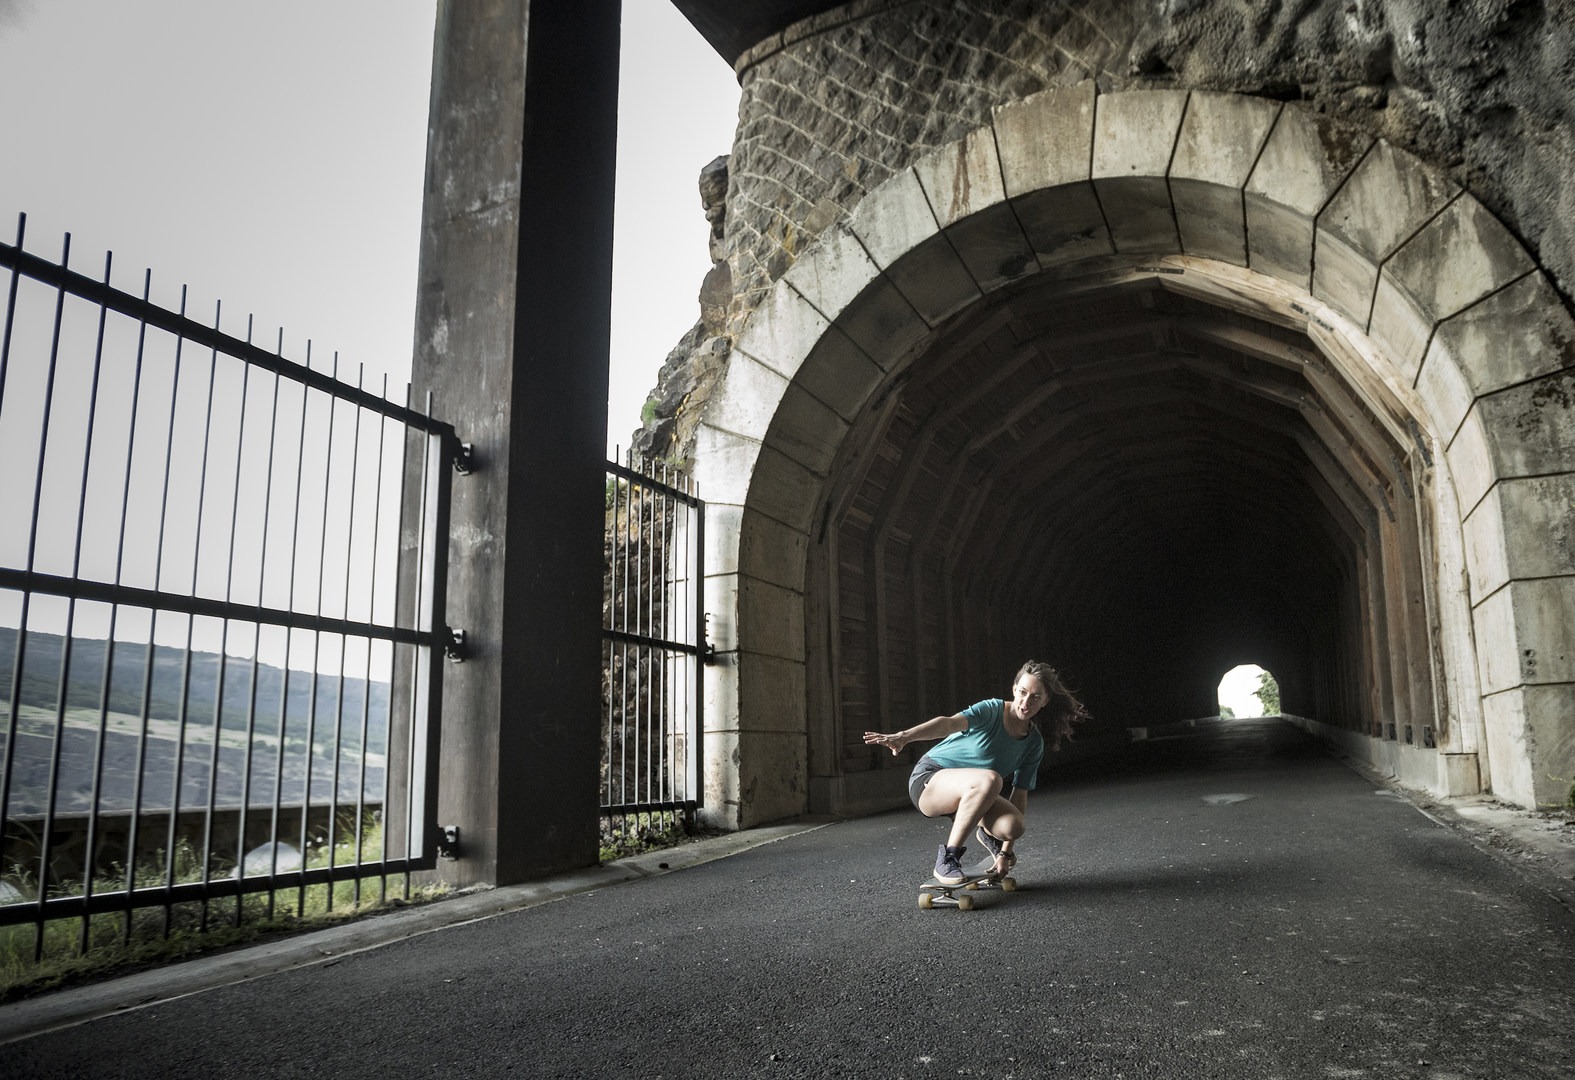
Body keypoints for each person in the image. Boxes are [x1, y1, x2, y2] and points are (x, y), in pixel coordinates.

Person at [863, 660, 1088, 886]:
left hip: (974, 790)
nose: (1026, 702)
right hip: (930, 780)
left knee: (1013, 826)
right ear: (1014, 688)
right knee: (991, 779)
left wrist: (1005, 853)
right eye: (1022, 692)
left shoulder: (1033, 743)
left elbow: (1019, 796)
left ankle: (988, 836)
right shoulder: (991, 710)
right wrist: (904, 737)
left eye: (1035, 697)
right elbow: (947, 724)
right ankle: (948, 858)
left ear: (1046, 701)